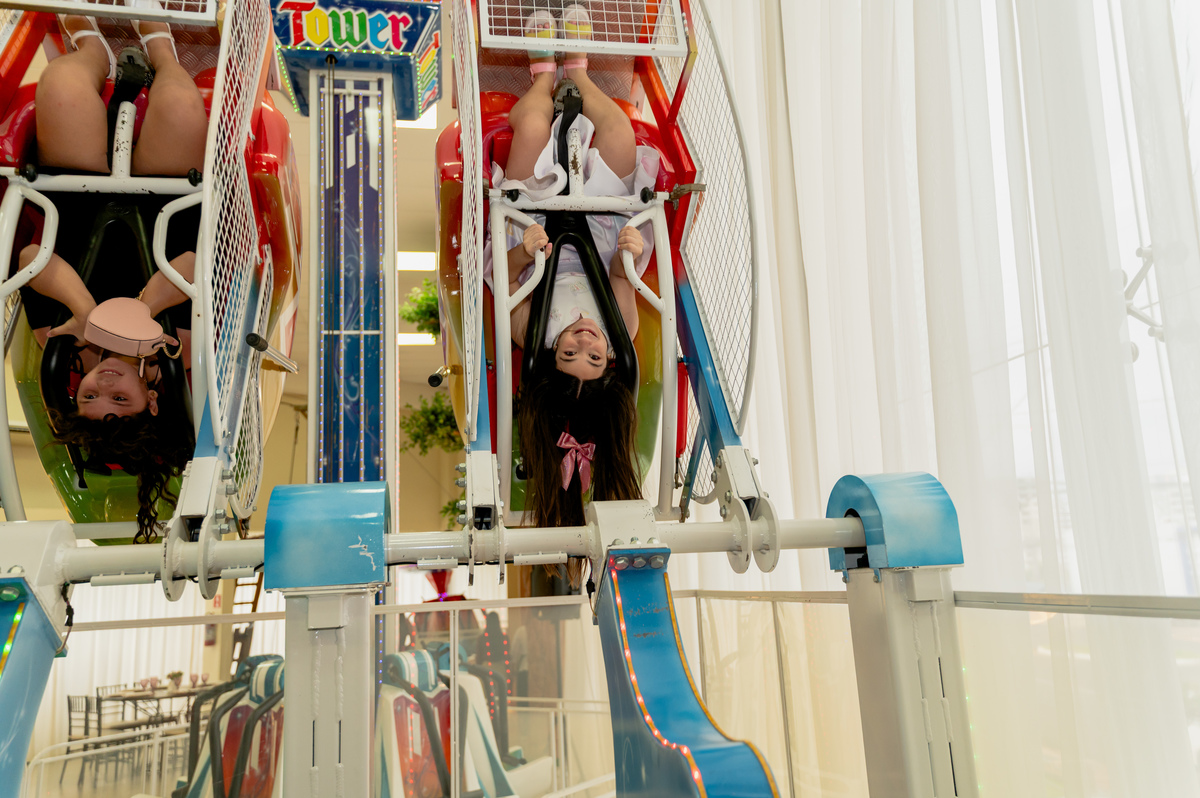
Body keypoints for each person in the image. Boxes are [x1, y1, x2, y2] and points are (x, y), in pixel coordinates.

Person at [10, 7, 206, 541]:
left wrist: (85, 313)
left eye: (89, 398)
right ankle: (160, 45)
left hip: (79, 190)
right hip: (168, 192)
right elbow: (194, 266)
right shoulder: (180, 350)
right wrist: (143, 312)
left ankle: (92, 48)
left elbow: (31, 258)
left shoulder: (63, 346)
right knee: (180, 107)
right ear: (154, 400)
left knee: (62, 89)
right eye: (121, 400)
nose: (103, 385)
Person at [486, 4, 654, 544]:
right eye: (595, 357)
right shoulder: (621, 329)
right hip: (599, 231)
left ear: (548, 359)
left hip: (532, 226)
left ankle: (541, 77)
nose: (584, 341)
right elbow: (621, 276)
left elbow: (504, 280)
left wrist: (524, 253)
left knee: (535, 125)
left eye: (570, 354)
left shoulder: (529, 334)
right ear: (611, 362)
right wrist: (628, 253)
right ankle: (577, 72)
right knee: (620, 133)